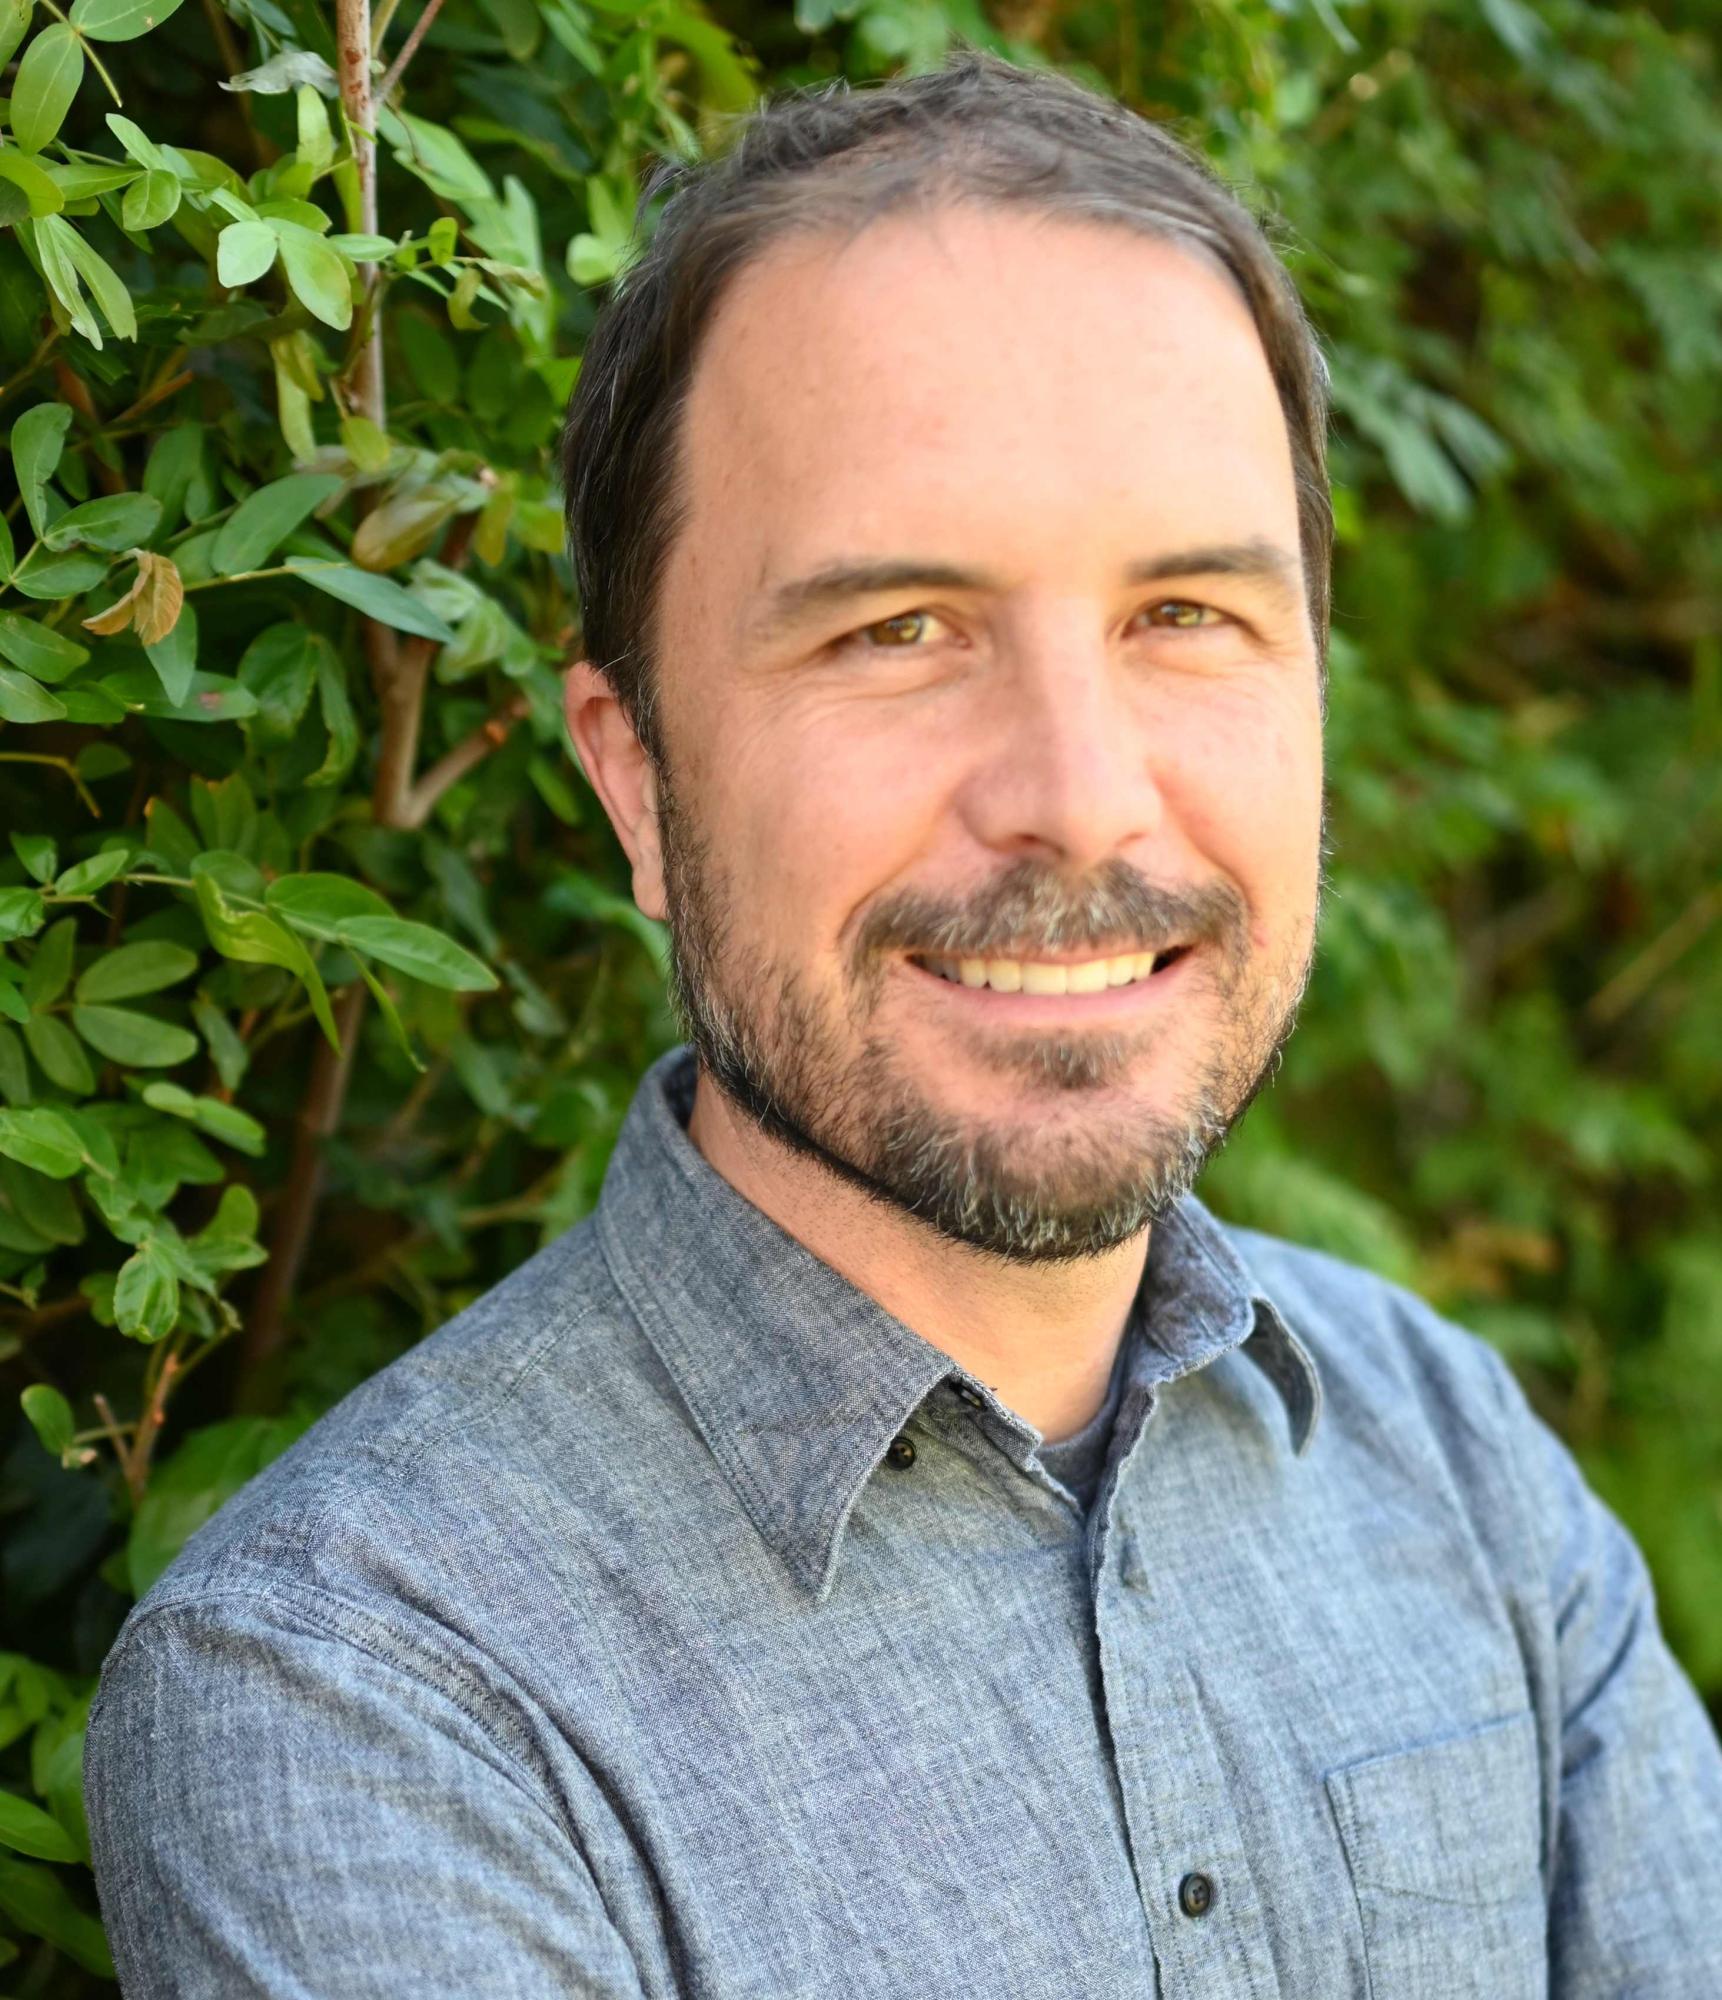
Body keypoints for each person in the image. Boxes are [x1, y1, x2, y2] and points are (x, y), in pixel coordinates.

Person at [84, 46, 1722, 1998]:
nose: (1081, 794)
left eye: (1187, 614)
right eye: (897, 631)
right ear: (638, 780)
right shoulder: (371, 1694)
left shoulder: (1458, 1463)